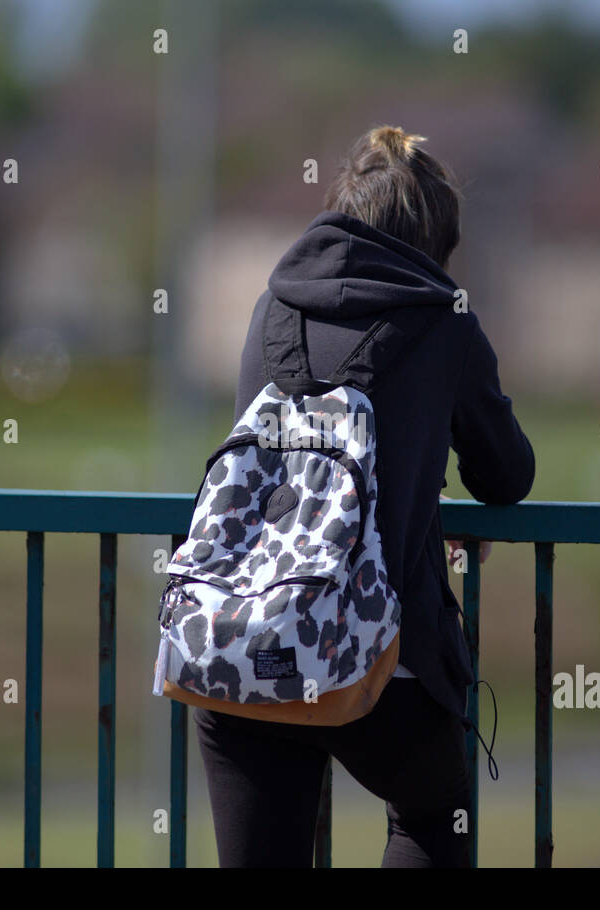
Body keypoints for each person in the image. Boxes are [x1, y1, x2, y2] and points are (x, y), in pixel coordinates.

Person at [193, 125, 535, 867]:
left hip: (249, 643)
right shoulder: (444, 321)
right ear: (435, 238)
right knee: (429, 820)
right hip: (383, 656)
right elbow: (507, 475)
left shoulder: (269, 307)